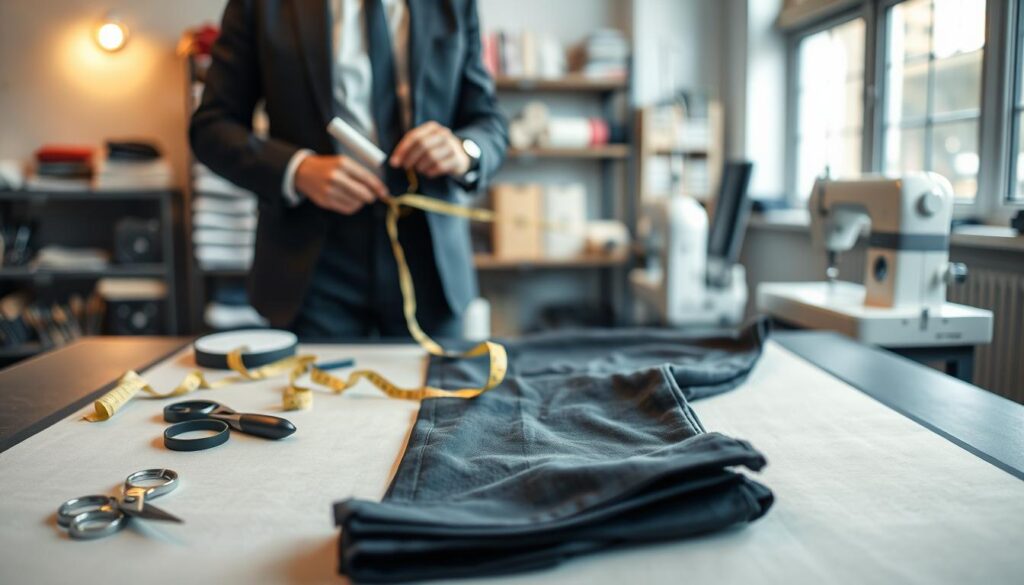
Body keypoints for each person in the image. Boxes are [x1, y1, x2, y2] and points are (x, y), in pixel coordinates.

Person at [190, 0, 507, 339]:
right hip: (313, 260)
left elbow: (488, 123)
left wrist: (464, 150)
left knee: (440, 390)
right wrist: (297, 170)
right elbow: (211, 127)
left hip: (431, 258)